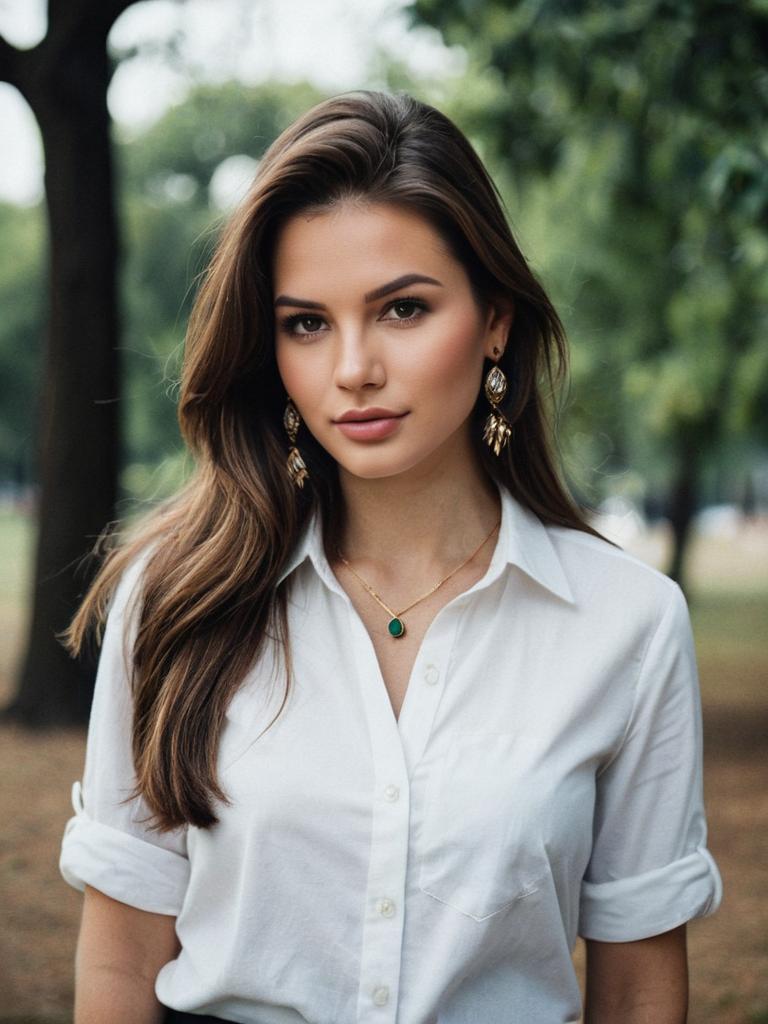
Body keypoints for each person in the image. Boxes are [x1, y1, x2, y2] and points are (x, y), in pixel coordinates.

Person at [58, 89, 722, 1024]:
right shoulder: (175, 598)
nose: (353, 369)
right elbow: (120, 963)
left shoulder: (629, 624)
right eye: (306, 323)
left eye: (403, 309)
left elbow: (642, 986)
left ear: (495, 321)